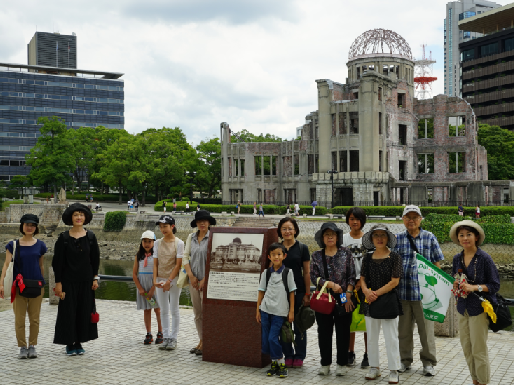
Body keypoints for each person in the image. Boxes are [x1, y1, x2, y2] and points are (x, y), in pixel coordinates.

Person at [393, 205, 443, 376]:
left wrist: (437, 288)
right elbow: (392, 263)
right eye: (408, 217)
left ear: (421, 219)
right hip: (403, 293)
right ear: (403, 219)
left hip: (425, 295)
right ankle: (404, 360)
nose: (411, 220)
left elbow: (437, 263)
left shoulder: (429, 237)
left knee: (426, 331)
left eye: (415, 217)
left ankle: (428, 362)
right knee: (404, 331)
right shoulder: (397, 239)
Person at [450, 220, 499, 385]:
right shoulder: (457, 258)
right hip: (462, 307)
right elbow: (455, 278)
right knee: (467, 348)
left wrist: (474, 287)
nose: (465, 238)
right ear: (458, 238)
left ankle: (484, 381)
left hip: (479, 308)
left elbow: (494, 285)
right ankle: (475, 380)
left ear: (476, 237)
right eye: (461, 235)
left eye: (468, 234)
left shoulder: (484, 258)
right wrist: (456, 283)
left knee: (479, 349)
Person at [52, 203, 100, 356]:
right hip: (68, 282)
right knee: (68, 312)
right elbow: (57, 262)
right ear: (70, 218)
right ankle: (69, 342)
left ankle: (79, 342)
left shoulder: (91, 237)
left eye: (81, 214)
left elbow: (95, 260)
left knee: (83, 311)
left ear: (85, 218)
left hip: (86, 282)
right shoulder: (64, 238)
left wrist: (95, 278)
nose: (79, 217)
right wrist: (58, 283)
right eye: (75, 215)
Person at [311, 223, 356, 376]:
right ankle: (325, 363)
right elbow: (313, 277)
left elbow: (352, 276)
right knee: (324, 331)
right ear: (322, 238)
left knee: (343, 331)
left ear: (337, 237)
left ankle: (342, 363)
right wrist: (328, 283)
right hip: (324, 297)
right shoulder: (316, 256)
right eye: (326, 234)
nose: (330, 237)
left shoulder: (346, 253)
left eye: (333, 234)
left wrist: (348, 295)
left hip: (343, 296)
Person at [0, 214, 47, 359]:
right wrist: (1, 283)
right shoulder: (13, 245)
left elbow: (41, 265)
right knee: (19, 319)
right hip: (19, 286)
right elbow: (6, 265)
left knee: (34, 319)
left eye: (32, 225)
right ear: (22, 226)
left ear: (36, 228)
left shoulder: (40, 245)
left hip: (36, 286)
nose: (29, 227)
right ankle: (22, 346)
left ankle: (32, 345)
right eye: (27, 224)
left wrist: (43, 282)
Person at [360, 225, 402, 383]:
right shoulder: (367, 257)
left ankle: (393, 369)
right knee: (371, 337)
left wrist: (375, 293)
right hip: (370, 301)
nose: (379, 238)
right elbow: (362, 277)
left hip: (388, 301)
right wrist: (366, 291)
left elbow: (395, 281)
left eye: (383, 235)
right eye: (376, 235)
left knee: (391, 337)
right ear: (371, 239)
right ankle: (374, 367)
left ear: (388, 238)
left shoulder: (395, 257)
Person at [256, 243, 296, 378]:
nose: (276, 257)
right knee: (266, 339)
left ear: (284, 256)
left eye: (279, 254)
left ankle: (281, 363)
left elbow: (291, 292)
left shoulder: (288, 272)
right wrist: (258, 310)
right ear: (269, 257)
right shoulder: (266, 273)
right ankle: (274, 364)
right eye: (273, 255)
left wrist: (291, 311)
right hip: (265, 309)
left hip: (279, 312)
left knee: (273, 338)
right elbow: (261, 292)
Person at [277, 217, 311, 368]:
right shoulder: (277, 248)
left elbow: (307, 272)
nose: (287, 231)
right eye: (284, 229)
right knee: (283, 326)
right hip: (281, 292)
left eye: (290, 228)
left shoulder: (302, 248)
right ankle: (288, 354)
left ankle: (299, 355)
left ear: (295, 230)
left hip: (298, 291)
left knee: (299, 326)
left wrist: (307, 293)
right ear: (280, 231)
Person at [184, 210, 216, 356]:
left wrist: (205, 279)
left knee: (207, 312)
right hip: (193, 281)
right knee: (197, 313)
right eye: (199, 221)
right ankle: (202, 340)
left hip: (207, 281)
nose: (202, 223)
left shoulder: (213, 237)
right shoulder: (191, 237)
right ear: (196, 223)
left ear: (209, 222)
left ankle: (208, 342)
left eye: (205, 220)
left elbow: (215, 260)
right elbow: (185, 257)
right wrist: (190, 275)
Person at [342, 207, 369, 367]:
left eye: (357, 219)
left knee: (367, 320)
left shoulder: (368, 239)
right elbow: (340, 262)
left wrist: (361, 282)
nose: (354, 222)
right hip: (346, 286)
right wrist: (350, 285)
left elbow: (371, 262)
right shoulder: (343, 239)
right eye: (351, 218)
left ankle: (368, 353)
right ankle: (349, 351)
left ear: (362, 221)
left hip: (365, 286)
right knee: (347, 319)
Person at [153, 215, 183, 350]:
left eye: (165, 226)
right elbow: (155, 264)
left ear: (172, 226)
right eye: (160, 226)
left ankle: (174, 338)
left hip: (174, 280)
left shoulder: (179, 243)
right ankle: (166, 337)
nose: (162, 229)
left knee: (174, 309)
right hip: (159, 279)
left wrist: (169, 280)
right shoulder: (157, 243)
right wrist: (154, 280)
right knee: (163, 309)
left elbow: (178, 265)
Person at [132, 230, 162, 345]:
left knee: (158, 309)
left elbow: (159, 273)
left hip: (154, 286)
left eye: (149, 241)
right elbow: (134, 274)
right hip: (143, 287)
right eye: (145, 241)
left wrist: (153, 289)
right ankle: (148, 333)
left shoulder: (156, 256)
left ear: (154, 242)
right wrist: (140, 288)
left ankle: (160, 332)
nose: (147, 244)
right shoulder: (138, 256)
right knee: (147, 309)